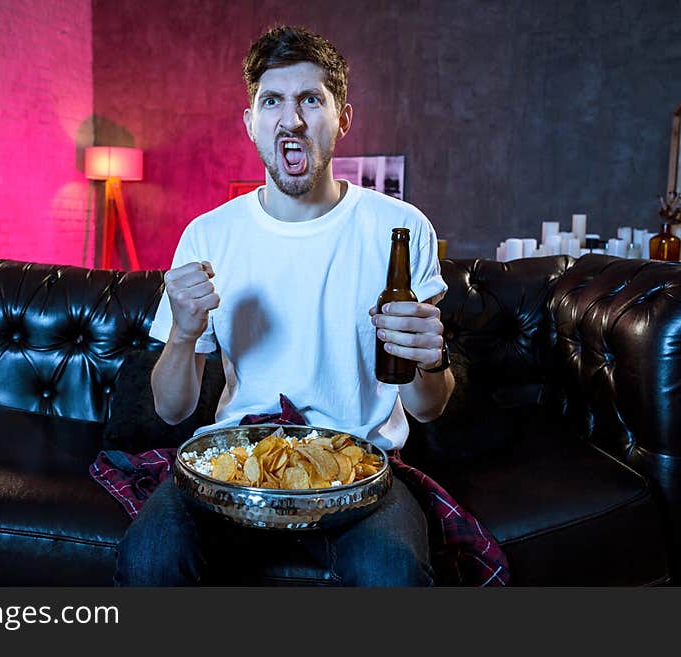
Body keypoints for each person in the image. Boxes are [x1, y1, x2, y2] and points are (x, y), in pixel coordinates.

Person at [114, 24, 455, 587]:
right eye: (272, 100)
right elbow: (172, 411)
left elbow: (429, 408)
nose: (291, 120)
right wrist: (182, 335)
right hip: (235, 462)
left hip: (360, 468)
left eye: (311, 100)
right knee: (149, 559)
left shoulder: (402, 228)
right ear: (250, 122)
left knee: (394, 571)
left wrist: (430, 359)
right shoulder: (208, 235)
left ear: (342, 117)